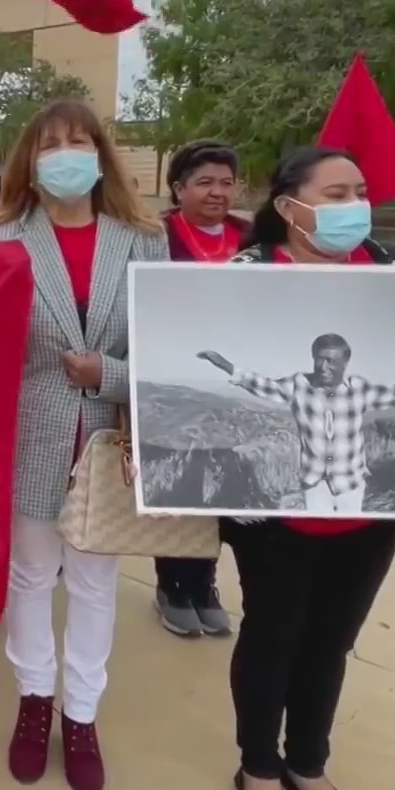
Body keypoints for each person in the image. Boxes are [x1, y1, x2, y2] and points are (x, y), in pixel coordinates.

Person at [219, 145, 395, 790]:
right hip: (276, 509)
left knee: (333, 641)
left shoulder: (393, 272)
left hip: (370, 508)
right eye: (336, 193)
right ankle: (258, 770)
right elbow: (237, 384)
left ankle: (308, 764)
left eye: (361, 191)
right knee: (273, 633)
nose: (355, 206)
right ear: (288, 207)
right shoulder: (243, 276)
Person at [0, 100, 167, 790]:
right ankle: (34, 699)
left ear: (101, 154)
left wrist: (111, 376)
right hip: (29, 431)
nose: (66, 153)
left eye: (79, 141)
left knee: (93, 584)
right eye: (50, 143)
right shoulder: (1, 236)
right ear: (30, 161)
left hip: (110, 438)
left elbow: (165, 344)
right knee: (31, 575)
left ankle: (80, 714)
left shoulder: (143, 239)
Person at [196, 335, 395, 515]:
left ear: (345, 362)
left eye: (331, 360)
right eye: (319, 358)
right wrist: (226, 366)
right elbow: (262, 385)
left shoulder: (358, 389)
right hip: (314, 483)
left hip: (351, 482)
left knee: (347, 539)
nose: (323, 366)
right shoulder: (298, 386)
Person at [153, 138, 250, 638]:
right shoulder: (156, 236)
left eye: (226, 182)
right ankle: (172, 584)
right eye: (205, 182)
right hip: (175, 379)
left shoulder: (253, 238)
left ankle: (205, 583)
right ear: (179, 188)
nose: (217, 192)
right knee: (180, 480)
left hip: (234, 383)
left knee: (221, 485)